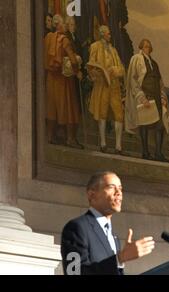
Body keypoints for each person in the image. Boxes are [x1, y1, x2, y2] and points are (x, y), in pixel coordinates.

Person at [61, 171, 155, 275]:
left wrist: (119, 260)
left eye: (120, 188)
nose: (118, 192)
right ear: (92, 194)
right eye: (111, 187)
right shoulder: (77, 227)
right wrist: (120, 258)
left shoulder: (114, 238)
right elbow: (74, 273)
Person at [125, 39, 169, 162]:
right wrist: (141, 96)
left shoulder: (154, 63)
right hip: (145, 96)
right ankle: (145, 152)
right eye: (145, 46)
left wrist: (162, 97)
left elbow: (160, 82)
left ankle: (158, 153)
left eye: (149, 47)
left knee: (160, 125)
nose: (147, 48)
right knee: (144, 125)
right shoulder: (136, 59)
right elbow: (133, 79)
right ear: (141, 47)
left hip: (156, 97)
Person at [44, 14, 83, 149]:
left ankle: (50, 136)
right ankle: (70, 139)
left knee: (52, 107)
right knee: (69, 107)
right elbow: (72, 59)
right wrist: (77, 70)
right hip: (63, 79)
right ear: (59, 25)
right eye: (64, 24)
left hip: (50, 77)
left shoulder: (48, 38)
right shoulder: (64, 40)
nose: (66, 26)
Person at [87, 26, 126, 154]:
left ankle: (118, 146)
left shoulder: (113, 50)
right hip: (102, 85)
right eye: (108, 34)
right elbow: (91, 65)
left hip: (114, 85)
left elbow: (121, 68)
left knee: (119, 114)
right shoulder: (95, 46)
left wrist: (115, 70)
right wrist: (99, 73)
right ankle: (103, 143)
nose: (110, 36)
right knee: (102, 113)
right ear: (103, 34)